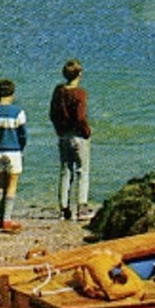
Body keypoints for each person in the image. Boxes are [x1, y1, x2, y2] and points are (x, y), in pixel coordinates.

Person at [48, 58, 92, 221]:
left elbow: (52, 114)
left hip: (63, 135)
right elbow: (80, 117)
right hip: (78, 136)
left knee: (65, 171)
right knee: (82, 171)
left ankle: (64, 208)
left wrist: (59, 130)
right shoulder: (80, 93)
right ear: (79, 74)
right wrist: (87, 131)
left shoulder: (59, 91)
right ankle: (82, 207)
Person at [0, 79, 27, 232]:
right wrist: (21, 147)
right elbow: (23, 135)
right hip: (13, 150)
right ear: (12, 94)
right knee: (12, 184)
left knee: (0, 183)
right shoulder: (18, 112)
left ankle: (2, 218)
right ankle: (6, 220)